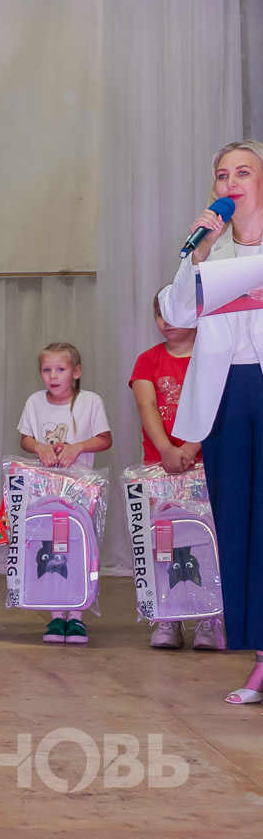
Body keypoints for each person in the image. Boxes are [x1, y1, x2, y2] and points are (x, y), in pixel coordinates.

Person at [158, 141, 263, 703]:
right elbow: (175, 313)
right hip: (226, 396)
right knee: (238, 524)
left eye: (244, 172)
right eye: (223, 175)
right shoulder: (211, 250)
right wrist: (196, 255)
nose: (231, 182)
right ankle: (259, 657)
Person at [130, 292, 217, 651]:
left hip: (204, 466)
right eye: (159, 314)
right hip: (160, 468)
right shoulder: (147, 360)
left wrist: (191, 448)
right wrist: (167, 450)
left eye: (173, 313)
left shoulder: (212, 356)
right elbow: (147, 405)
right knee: (164, 543)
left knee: (206, 544)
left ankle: (211, 618)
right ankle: (167, 617)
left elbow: (215, 404)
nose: (165, 322)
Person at [17, 341, 112, 646]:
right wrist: (39, 447)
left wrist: (78, 447)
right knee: (50, 548)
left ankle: (78, 616)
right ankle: (57, 615)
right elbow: (25, 439)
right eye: (47, 370)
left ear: (76, 372)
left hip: (81, 492)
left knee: (80, 550)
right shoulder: (34, 401)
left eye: (60, 369)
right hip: (44, 492)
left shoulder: (90, 401)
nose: (53, 376)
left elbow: (105, 438)